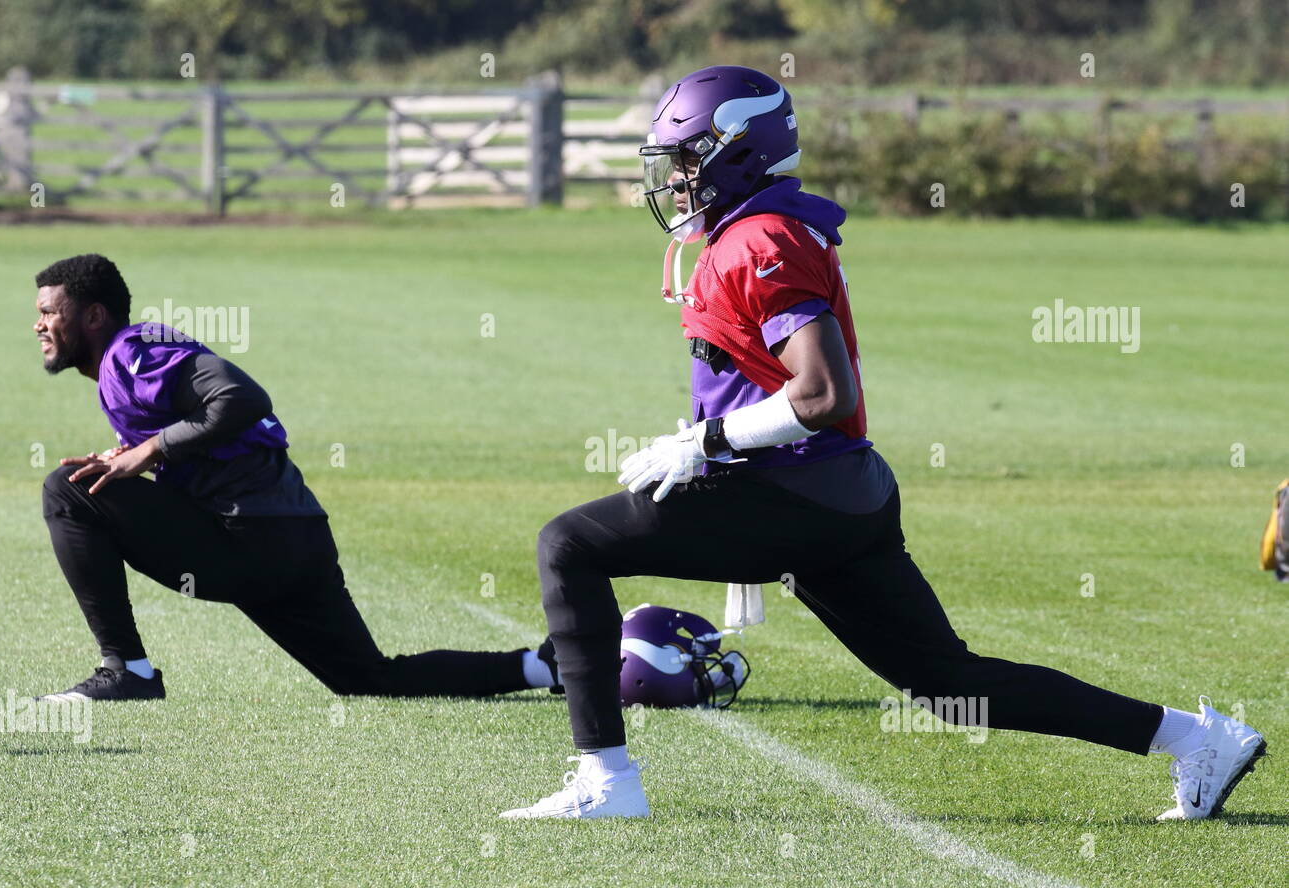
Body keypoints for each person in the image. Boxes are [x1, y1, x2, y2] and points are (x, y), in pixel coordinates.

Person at [500, 65, 1266, 822]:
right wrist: (715, 434)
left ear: (739, 150)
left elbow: (825, 395)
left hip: (794, 494)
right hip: (839, 496)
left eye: (691, 157)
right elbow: (776, 380)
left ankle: (607, 781)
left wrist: (710, 439)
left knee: (567, 545)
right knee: (954, 688)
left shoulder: (760, 239)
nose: (677, 180)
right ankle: (1199, 738)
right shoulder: (762, 228)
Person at [32, 254, 561, 703]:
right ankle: (544, 668)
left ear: (94, 315)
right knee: (367, 678)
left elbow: (243, 398)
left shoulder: (132, 351)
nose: (39, 324)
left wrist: (148, 449)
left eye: (49, 312)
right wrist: (146, 453)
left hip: (246, 536)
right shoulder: (126, 361)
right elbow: (211, 430)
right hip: (294, 534)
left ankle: (128, 669)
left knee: (67, 489)